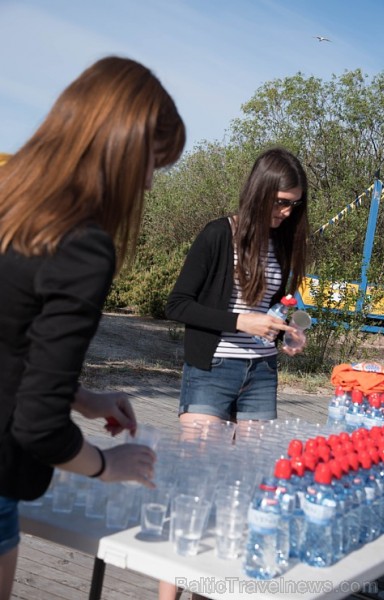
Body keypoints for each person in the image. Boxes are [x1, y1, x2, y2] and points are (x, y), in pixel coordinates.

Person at [0, 55, 185, 600]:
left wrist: (81, 397)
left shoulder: (11, 203)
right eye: (151, 163)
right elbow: (37, 427)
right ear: (119, 148)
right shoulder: (81, 244)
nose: (149, 183)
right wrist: (107, 465)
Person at [159, 146, 308, 600]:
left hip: (260, 375)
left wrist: (289, 333)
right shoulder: (216, 235)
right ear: (259, 191)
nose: (286, 211)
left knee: (243, 496)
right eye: (280, 201)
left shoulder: (282, 243)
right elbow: (178, 304)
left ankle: (209, 593)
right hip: (212, 372)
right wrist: (243, 322)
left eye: (293, 205)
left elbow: (278, 309)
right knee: (195, 492)